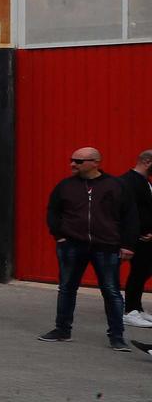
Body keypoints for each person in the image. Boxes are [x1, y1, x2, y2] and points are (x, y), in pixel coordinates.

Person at [38, 146, 139, 350]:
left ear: (95, 162)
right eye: (71, 160)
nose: (72, 164)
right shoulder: (65, 186)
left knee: (111, 291)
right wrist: (59, 235)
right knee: (67, 287)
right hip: (72, 245)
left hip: (107, 246)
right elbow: (53, 211)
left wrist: (128, 245)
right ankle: (62, 330)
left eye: (78, 161)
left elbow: (130, 216)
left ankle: (117, 336)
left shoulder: (116, 185)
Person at [123, 150, 152, 327]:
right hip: (138, 237)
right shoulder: (129, 181)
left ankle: (138, 308)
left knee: (144, 271)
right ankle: (129, 310)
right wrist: (140, 231)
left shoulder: (145, 182)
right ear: (147, 162)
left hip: (147, 237)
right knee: (138, 272)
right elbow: (130, 211)